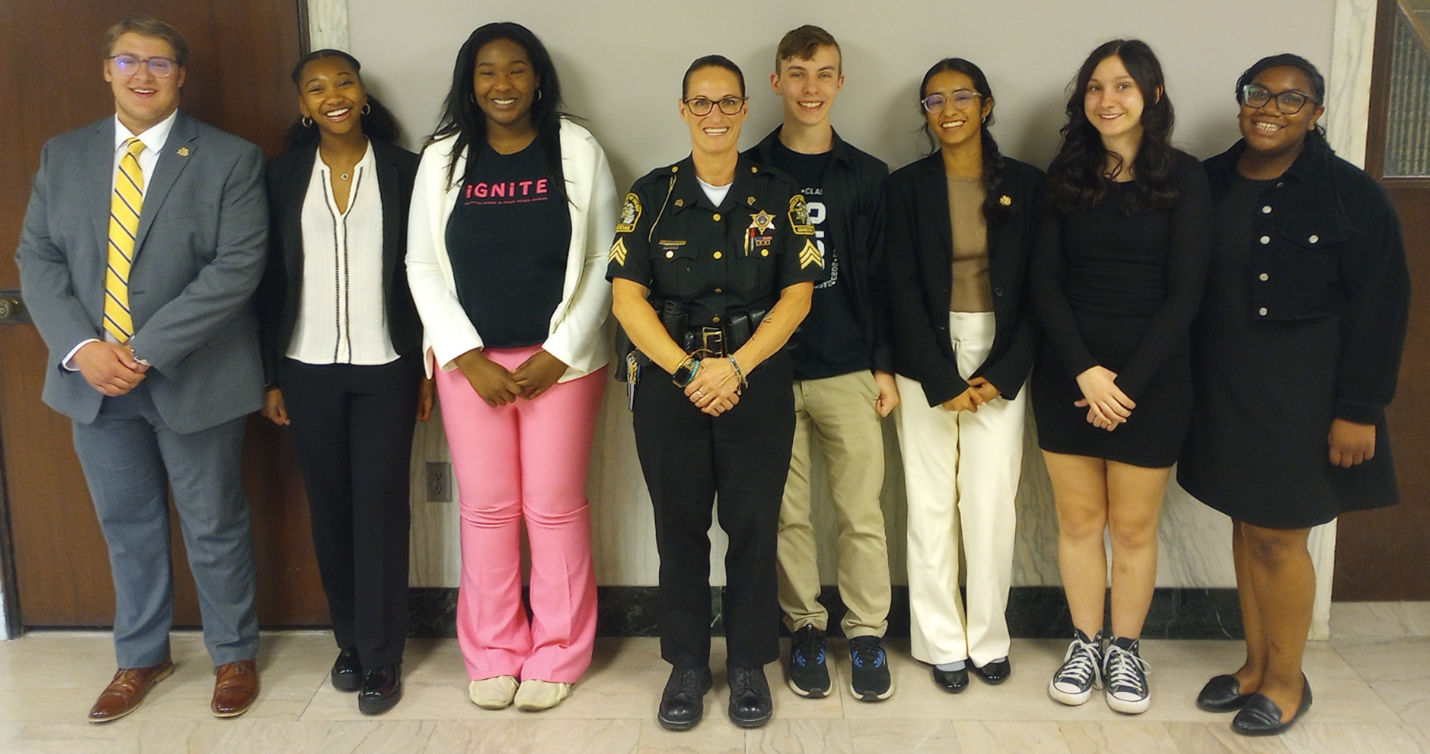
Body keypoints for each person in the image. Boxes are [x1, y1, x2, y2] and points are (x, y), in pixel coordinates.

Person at [15, 16, 266, 722]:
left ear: (181, 75)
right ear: (106, 70)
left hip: (195, 376)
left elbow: (237, 267)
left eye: (159, 62)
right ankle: (141, 656)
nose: (143, 74)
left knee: (214, 521)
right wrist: (83, 349)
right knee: (125, 523)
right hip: (91, 382)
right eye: (128, 61)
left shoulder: (229, 158)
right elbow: (38, 259)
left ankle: (233, 654)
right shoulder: (63, 155)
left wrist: (143, 349)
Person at [1180, 54, 1409, 736]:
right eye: (1258, 94)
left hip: (1304, 396)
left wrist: (1359, 410)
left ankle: (1287, 682)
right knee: (1247, 526)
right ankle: (1255, 666)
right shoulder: (1208, 181)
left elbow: (1382, 306)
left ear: (1317, 111)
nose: (1270, 109)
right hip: (1224, 385)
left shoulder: (1350, 193)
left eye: (1291, 99)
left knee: (1281, 538)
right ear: (1240, 99)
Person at [405, 21, 616, 713]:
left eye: (517, 69)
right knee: (489, 511)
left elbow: (602, 262)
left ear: (538, 79)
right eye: (488, 72)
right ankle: (494, 652)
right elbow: (423, 265)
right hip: (474, 367)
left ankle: (558, 651)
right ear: (470, 82)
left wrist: (560, 354)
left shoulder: (576, 150)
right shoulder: (440, 160)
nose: (503, 84)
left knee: (554, 510)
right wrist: (466, 356)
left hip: (563, 365)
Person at [608, 55, 821, 731]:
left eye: (727, 103)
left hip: (756, 380)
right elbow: (626, 299)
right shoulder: (653, 193)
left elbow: (798, 294)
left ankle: (752, 662)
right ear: (683, 111)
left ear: (743, 110)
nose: (715, 116)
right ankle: (689, 665)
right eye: (701, 103)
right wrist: (689, 372)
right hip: (673, 383)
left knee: (755, 526)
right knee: (680, 528)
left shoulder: (780, 194)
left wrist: (736, 368)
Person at [1031, 39, 1212, 714]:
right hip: (1068, 378)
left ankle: (1125, 651)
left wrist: (1125, 385)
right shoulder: (1066, 176)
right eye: (1097, 87)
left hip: (1154, 383)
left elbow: (1186, 295)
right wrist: (1085, 374)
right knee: (1078, 523)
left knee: (1134, 529)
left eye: (1124, 87)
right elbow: (1044, 285)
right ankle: (1085, 643)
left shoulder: (1186, 180)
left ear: (1152, 97)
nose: (1109, 100)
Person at [256, 49, 431, 716]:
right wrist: (271, 376)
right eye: (316, 87)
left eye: (344, 82)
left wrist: (423, 366)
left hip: (387, 365)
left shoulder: (406, 172)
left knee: (380, 507)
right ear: (303, 105)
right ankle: (351, 641)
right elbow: (268, 285)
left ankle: (384, 656)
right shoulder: (280, 177)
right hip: (304, 367)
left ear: (362, 94)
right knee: (329, 509)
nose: (332, 95)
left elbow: (425, 277)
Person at [744, 25, 895, 703]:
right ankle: (804, 626)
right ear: (776, 81)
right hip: (773, 370)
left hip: (847, 368)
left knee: (861, 511)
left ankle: (866, 635)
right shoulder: (748, 172)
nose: (810, 87)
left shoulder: (867, 176)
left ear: (840, 84)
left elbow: (885, 278)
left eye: (824, 73)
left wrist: (884, 366)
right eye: (798, 73)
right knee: (786, 513)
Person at [885, 58, 1043, 695]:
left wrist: (1002, 374)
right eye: (934, 100)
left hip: (1000, 351)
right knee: (928, 506)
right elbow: (895, 287)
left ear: (985, 104)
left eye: (961, 96)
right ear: (924, 113)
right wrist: (937, 375)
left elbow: (1040, 290)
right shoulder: (904, 188)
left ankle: (988, 638)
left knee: (989, 505)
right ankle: (941, 642)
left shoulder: (1027, 186)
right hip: (926, 352)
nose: (948, 109)